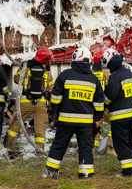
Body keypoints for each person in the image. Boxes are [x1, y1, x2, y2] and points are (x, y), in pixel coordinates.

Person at [44, 47, 105, 178]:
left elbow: (55, 99)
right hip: (86, 122)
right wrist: (97, 118)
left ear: (74, 59)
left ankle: (51, 172)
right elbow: (99, 104)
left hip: (66, 120)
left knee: (59, 144)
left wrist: (56, 112)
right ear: (89, 61)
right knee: (85, 147)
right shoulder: (94, 80)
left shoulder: (65, 75)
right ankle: (86, 173)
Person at [3, 47, 54, 152]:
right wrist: (50, 107)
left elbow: (17, 79)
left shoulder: (25, 68)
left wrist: (23, 68)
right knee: (40, 129)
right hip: (40, 104)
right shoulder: (47, 74)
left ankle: (6, 145)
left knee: (16, 124)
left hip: (25, 102)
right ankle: (40, 151)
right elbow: (50, 92)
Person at [102, 49, 132, 177]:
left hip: (119, 117)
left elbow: (109, 97)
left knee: (121, 144)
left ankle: (129, 172)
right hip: (130, 115)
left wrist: (101, 99)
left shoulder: (115, 76)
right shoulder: (128, 73)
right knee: (130, 142)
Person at [91, 50, 113, 153]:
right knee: (115, 123)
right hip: (106, 104)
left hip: (94, 106)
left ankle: (93, 149)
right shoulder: (107, 72)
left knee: (96, 127)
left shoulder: (91, 73)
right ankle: (110, 146)